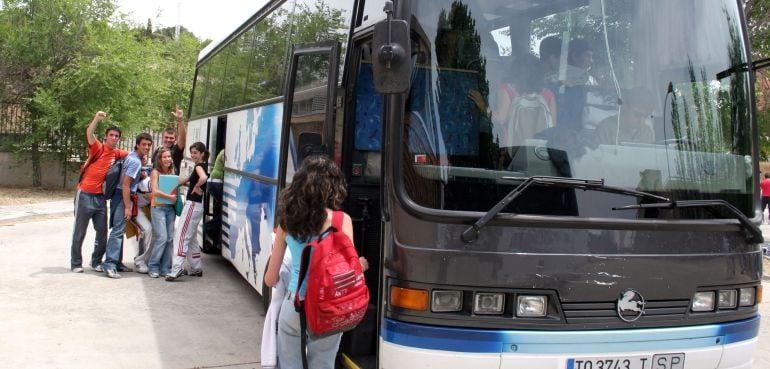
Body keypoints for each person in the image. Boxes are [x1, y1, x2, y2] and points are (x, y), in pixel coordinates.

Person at [264, 155, 366, 369]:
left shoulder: (286, 220)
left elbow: (270, 278)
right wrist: (362, 263)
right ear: (333, 187)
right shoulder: (341, 220)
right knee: (323, 364)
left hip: (294, 305)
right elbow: (350, 270)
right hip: (328, 308)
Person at [70, 111, 128, 273]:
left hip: (100, 198)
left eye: (117, 136)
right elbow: (89, 133)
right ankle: (75, 263)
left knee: (102, 232)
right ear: (106, 136)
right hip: (84, 194)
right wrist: (96, 118)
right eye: (112, 135)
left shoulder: (117, 153)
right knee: (79, 231)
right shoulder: (97, 148)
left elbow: (133, 156)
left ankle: (96, 261)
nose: (114, 138)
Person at [102, 133, 153, 279]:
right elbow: (125, 185)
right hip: (123, 196)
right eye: (144, 144)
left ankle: (116, 263)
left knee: (119, 230)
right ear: (137, 145)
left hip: (121, 196)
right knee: (118, 231)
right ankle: (110, 264)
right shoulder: (135, 161)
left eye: (149, 145)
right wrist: (127, 207)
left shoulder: (132, 157)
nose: (147, 147)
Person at [166, 141, 209, 281]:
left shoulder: (198, 167)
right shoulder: (203, 165)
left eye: (196, 152)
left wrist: (196, 186)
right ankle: (196, 267)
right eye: (192, 152)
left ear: (202, 153)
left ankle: (176, 268)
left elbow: (203, 178)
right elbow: (195, 179)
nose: (193, 155)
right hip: (197, 206)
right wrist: (181, 182)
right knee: (191, 238)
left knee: (182, 236)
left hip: (192, 205)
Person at [147, 147, 179, 278]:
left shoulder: (172, 171)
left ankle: (166, 268)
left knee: (170, 239)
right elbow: (154, 191)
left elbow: (176, 185)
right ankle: (153, 266)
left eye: (169, 157)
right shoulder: (155, 172)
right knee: (162, 238)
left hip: (170, 209)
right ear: (159, 159)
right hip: (158, 208)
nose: (167, 159)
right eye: (164, 157)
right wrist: (170, 197)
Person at [152, 106, 187, 174]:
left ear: (175, 139)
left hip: (171, 183)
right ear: (163, 137)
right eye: (166, 137)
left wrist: (180, 119)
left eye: (171, 138)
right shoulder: (158, 149)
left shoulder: (176, 150)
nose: (168, 140)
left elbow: (182, 138)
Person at [204, 149, 225, 248]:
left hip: (214, 183)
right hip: (217, 183)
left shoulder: (223, 151)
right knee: (225, 212)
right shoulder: (225, 152)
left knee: (220, 210)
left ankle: (215, 236)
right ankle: (209, 227)